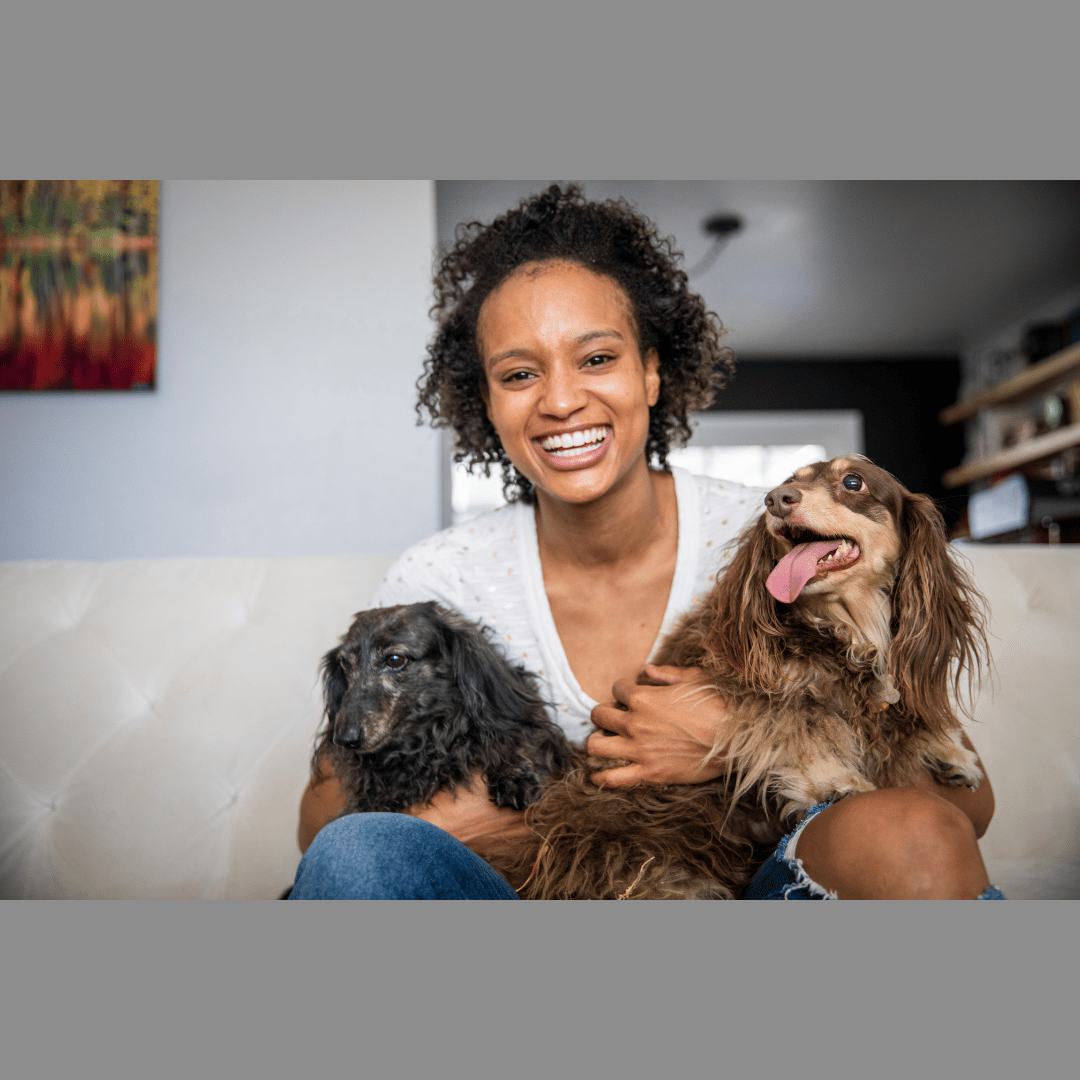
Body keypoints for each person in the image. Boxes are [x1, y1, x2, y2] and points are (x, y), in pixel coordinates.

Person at [291, 184, 1001, 900]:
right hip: (522, 889)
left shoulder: (776, 539)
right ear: (486, 401)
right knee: (358, 852)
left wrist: (736, 740)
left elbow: (968, 803)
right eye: (518, 374)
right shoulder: (442, 582)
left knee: (913, 831)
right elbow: (321, 827)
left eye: (596, 359)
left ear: (653, 372)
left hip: (756, 877)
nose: (561, 401)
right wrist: (465, 824)